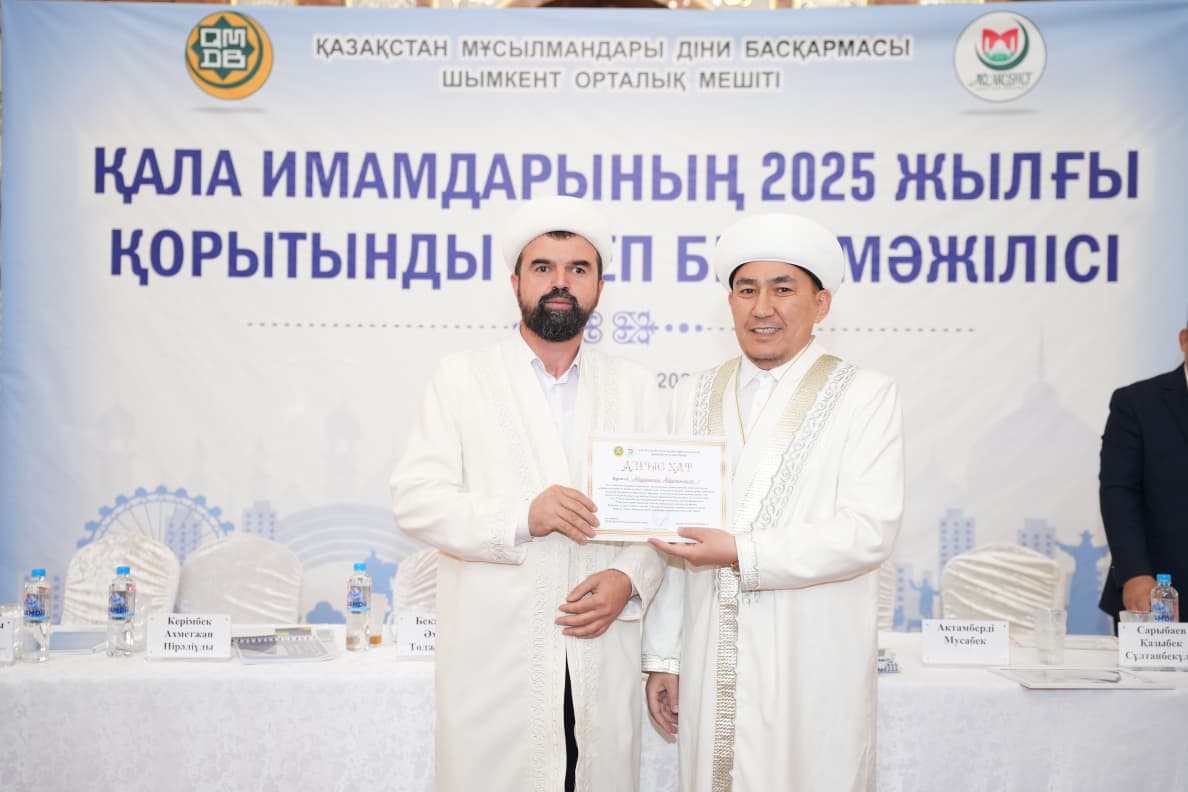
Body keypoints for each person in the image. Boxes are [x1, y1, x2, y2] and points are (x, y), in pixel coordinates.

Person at [390, 195, 665, 792]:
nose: (560, 283)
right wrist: (522, 516)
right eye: (543, 268)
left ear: (599, 287)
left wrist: (628, 578)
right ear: (515, 282)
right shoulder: (461, 378)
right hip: (496, 659)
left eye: (578, 269)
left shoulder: (637, 387)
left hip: (601, 652)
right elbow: (415, 498)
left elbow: (662, 522)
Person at [641, 213, 904, 792]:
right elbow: (671, 537)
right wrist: (664, 657)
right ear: (730, 302)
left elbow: (869, 530)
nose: (762, 308)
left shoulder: (865, 395)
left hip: (813, 659)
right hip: (708, 656)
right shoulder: (690, 394)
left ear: (821, 304)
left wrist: (743, 552)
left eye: (783, 289)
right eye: (747, 290)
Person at [1098, 320, 1188, 622]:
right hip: (1158, 595)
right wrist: (1134, 572)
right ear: (1184, 340)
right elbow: (1119, 491)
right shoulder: (1137, 403)